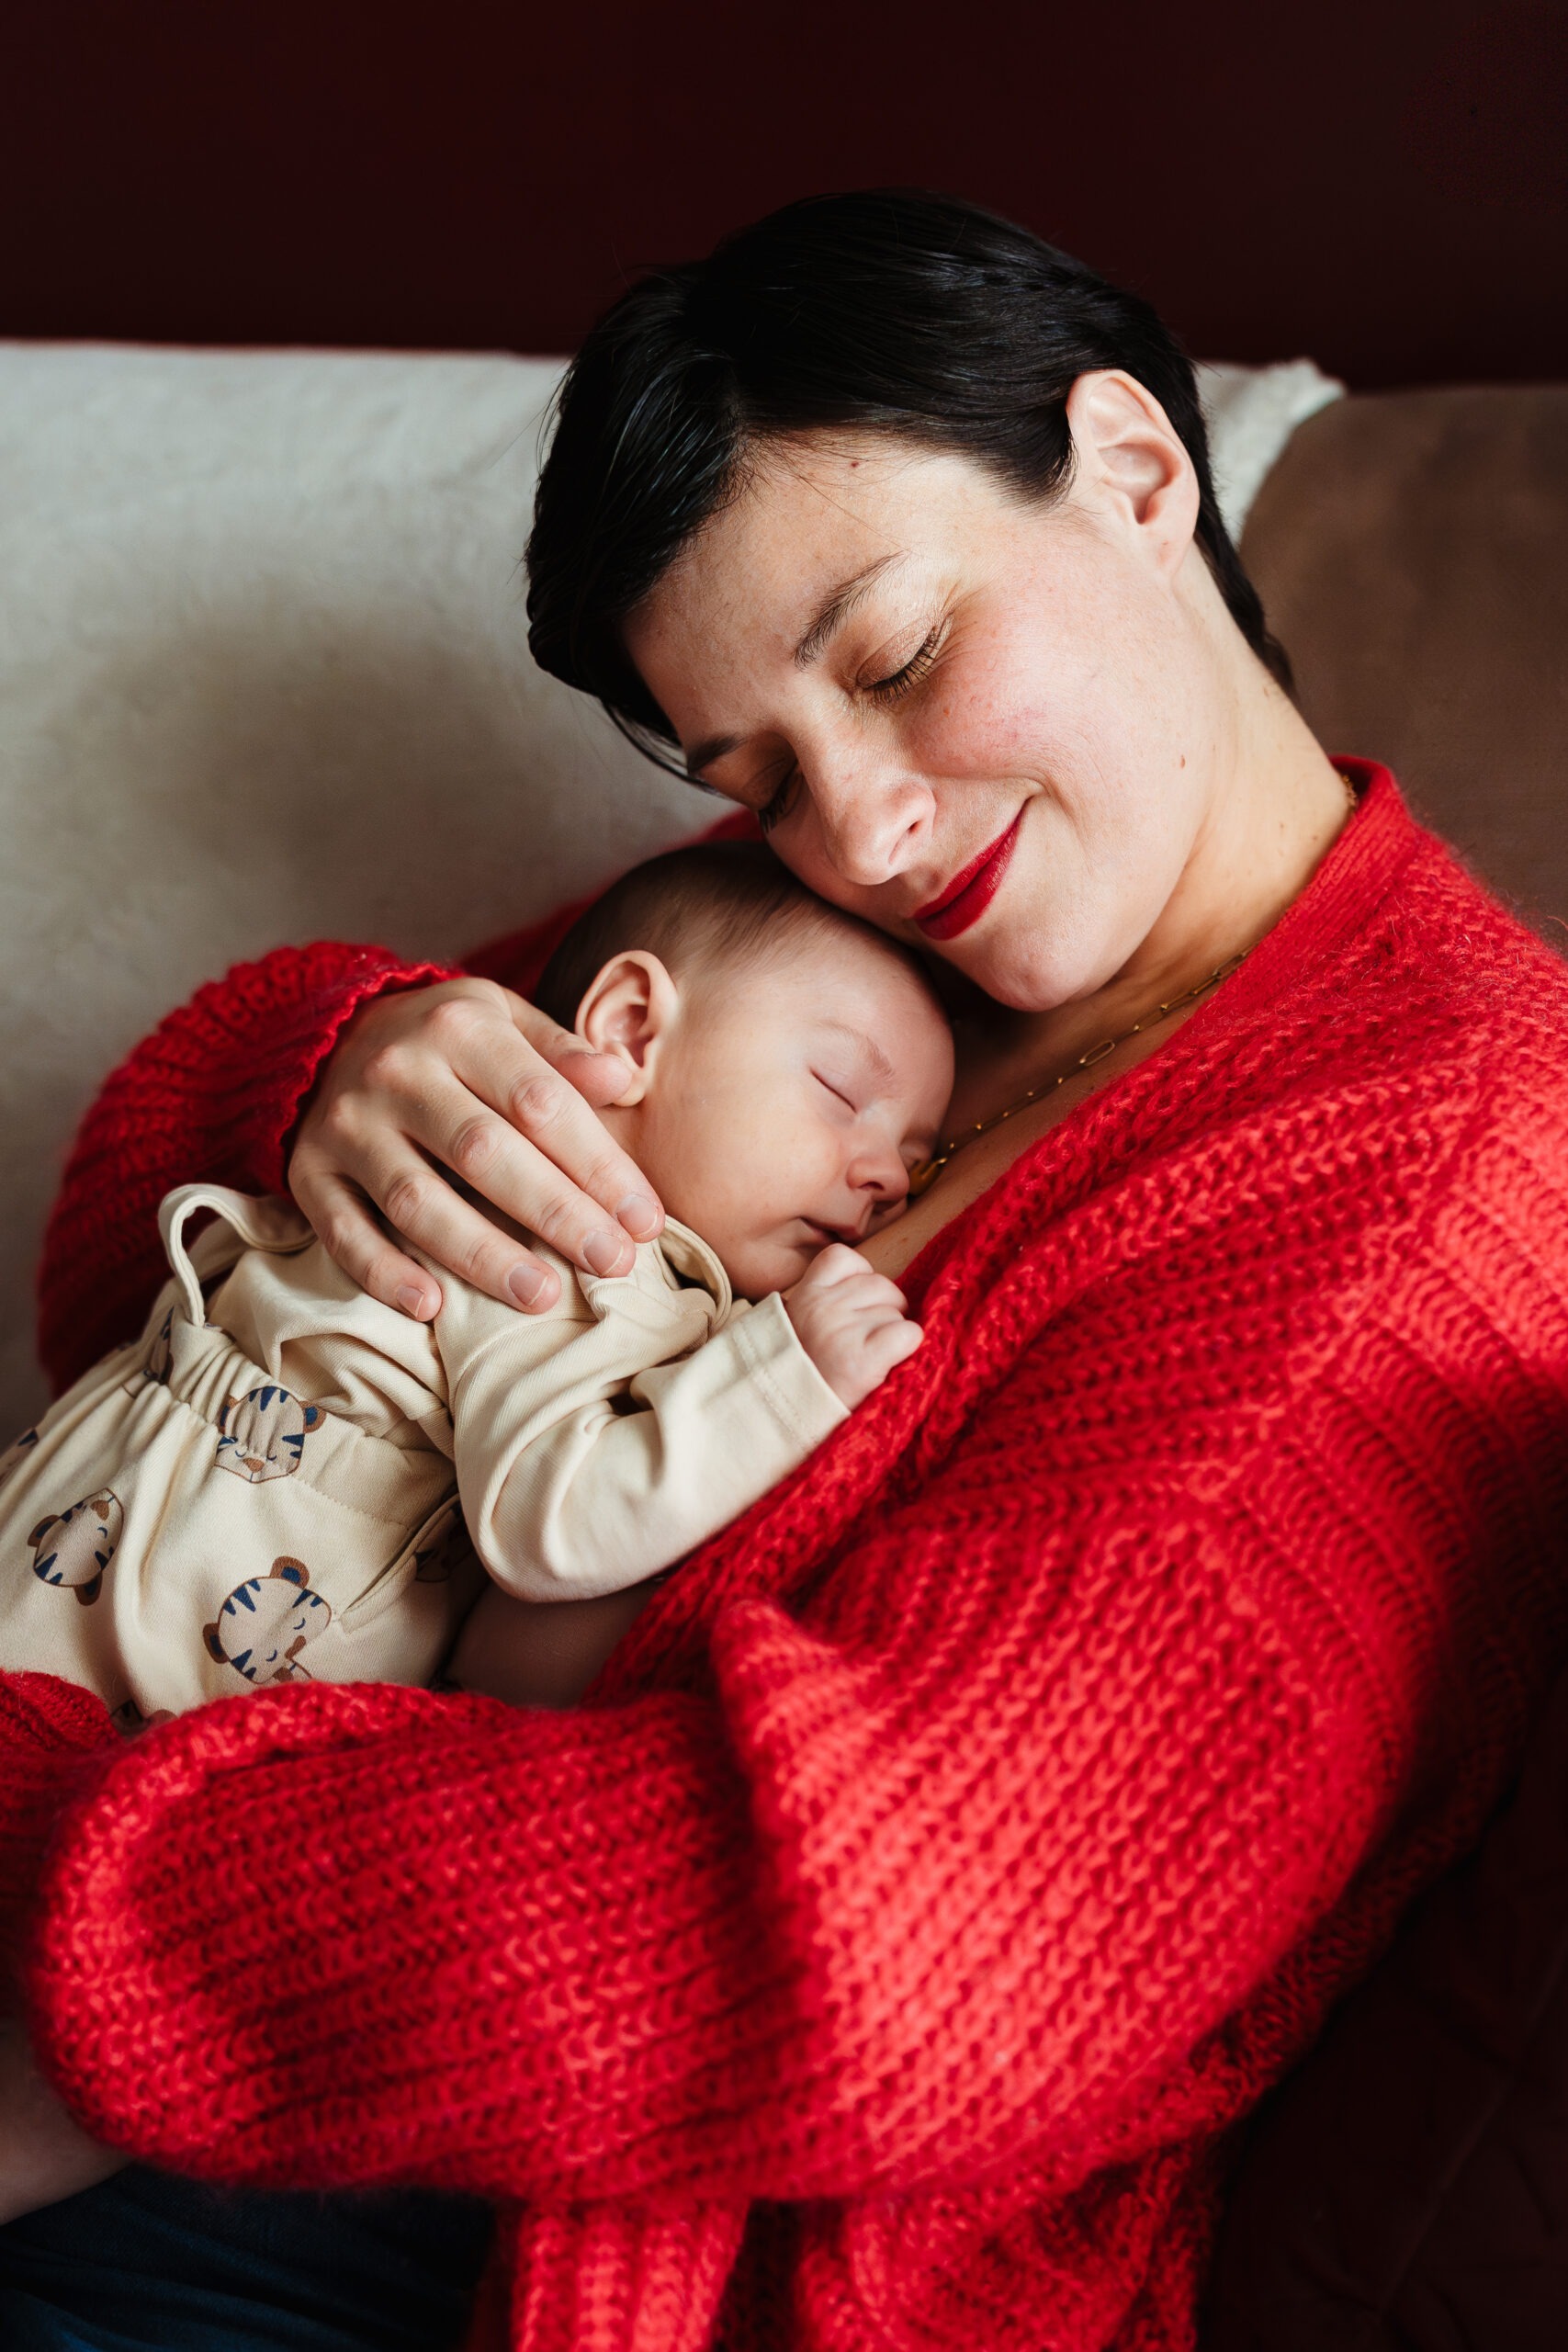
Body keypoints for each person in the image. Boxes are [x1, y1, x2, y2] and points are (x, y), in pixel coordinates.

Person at [2, 188, 1566, 2352]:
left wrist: (59, 1915)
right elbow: (130, 1271)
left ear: (1131, 467)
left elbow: (894, 1952)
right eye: (752, 769)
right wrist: (335, 1060)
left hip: (605, 2247)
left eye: (897, 655)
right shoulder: (842, 937)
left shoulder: (1432, 1165)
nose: (863, 831)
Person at [0, 844, 949, 1730]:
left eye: (918, 1155)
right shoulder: (566, 1235)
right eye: (838, 1090)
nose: (887, 1177)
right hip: (142, 1624)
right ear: (629, 1028)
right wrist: (784, 1376)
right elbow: (551, 1523)